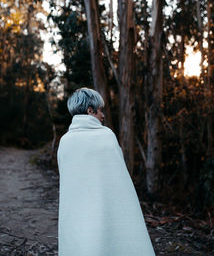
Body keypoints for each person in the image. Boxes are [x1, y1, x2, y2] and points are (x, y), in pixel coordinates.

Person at [57, 87, 156, 256]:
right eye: (100, 110)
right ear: (90, 110)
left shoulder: (65, 141)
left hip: (76, 211)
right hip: (106, 208)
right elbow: (119, 182)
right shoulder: (106, 136)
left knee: (81, 242)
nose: (102, 115)